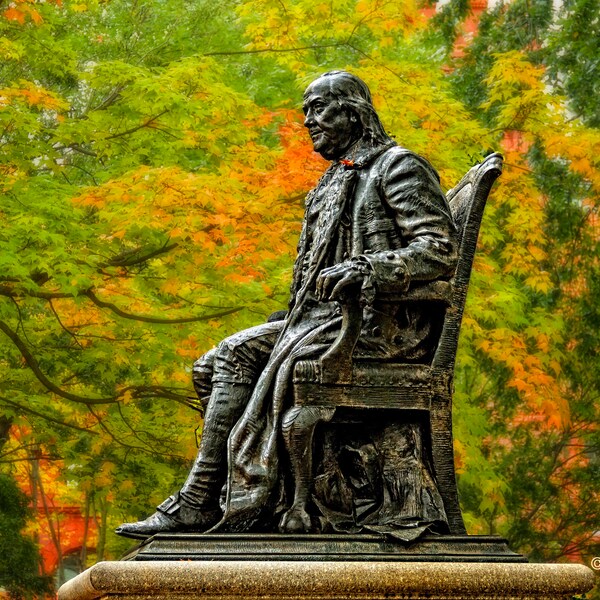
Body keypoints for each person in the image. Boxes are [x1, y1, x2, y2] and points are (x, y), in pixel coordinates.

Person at [116, 70, 458, 539]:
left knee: (236, 353)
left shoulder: (397, 167)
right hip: (322, 320)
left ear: (354, 112)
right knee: (208, 365)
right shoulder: (335, 179)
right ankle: (260, 497)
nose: (308, 121)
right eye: (305, 111)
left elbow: (439, 248)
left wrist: (369, 268)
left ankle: (199, 500)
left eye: (319, 108)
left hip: (377, 328)